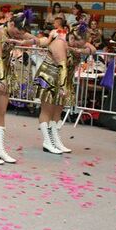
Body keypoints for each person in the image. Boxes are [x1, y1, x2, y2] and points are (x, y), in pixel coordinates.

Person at [0, 10, 39, 165]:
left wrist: (23, 42)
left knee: (1, 112)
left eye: (21, 33)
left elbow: (37, 40)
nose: (19, 35)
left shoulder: (16, 33)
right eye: (17, 32)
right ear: (11, 24)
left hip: (6, 71)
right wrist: (2, 78)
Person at [33, 23, 96, 154]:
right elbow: (62, 66)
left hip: (64, 79)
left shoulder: (74, 43)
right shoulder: (59, 43)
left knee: (57, 112)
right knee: (47, 111)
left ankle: (55, 139)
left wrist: (80, 50)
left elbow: (93, 49)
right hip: (50, 77)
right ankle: (47, 141)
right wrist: (62, 87)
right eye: (77, 44)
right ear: (72, 38)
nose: (78, 47)